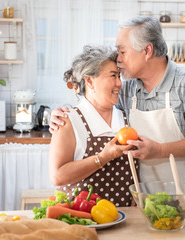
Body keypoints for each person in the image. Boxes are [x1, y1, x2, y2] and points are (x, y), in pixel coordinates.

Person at [50, 16, 185, 204]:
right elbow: (94, 99)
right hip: (148, 202)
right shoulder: (127, 91)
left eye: (122, 51)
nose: (118, 58)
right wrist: (62, 113)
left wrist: (160, 150)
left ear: (147, 51)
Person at [49, 45, 137, 207]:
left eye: (119, 77)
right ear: (89, 81)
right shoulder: (68, 121)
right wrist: (103, 158)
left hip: (125, 220)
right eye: (113, 76)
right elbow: (57, 176)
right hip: (82, 220)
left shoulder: (127, 117)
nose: (119, 83)